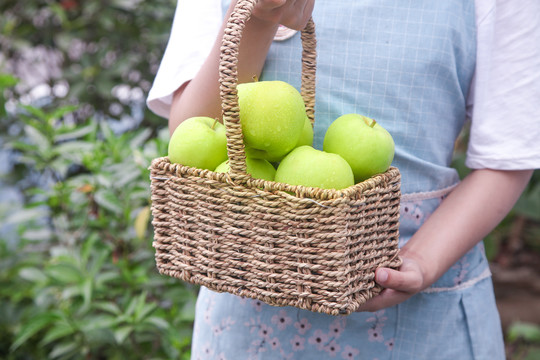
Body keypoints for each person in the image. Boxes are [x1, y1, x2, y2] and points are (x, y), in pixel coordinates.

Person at [147, 0, 540, 358]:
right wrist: (259, 20)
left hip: (419, 289)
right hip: (252, 287)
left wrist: (423, 259)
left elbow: (506, 157)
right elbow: (194, 135)